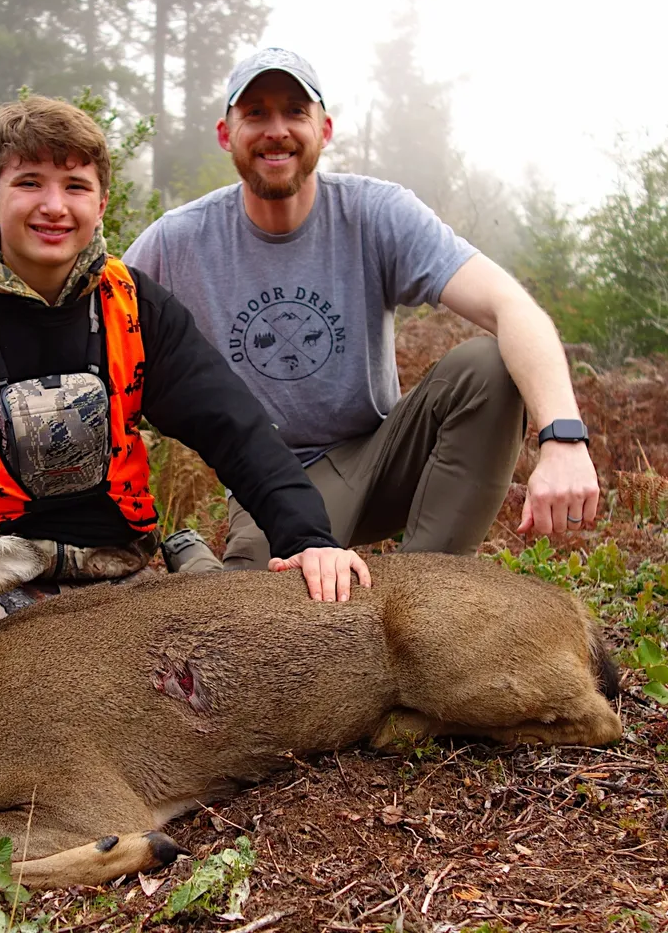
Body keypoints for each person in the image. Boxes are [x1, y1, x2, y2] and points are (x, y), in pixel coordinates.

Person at [0, 94, 368, 694]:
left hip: (115, 571)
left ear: (101, 203)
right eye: (29, 183)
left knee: (229, 680)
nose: (54, 206)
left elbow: (237, 430)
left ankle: (194, 573)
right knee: (7, 703)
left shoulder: (135, 308)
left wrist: (308, 538)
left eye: (75, 186)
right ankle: (191, 576)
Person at [122, 48, 601, 572]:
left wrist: (563, 437)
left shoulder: (375, 213)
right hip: (268, 483)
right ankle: (199, 564)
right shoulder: (176, 243)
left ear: (324, 130)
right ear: (225, 133)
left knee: (488, 367)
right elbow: (101, 346)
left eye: (295, 111)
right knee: (254, 625)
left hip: (383, 457)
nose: (276, 129)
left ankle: (424, 594)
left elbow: (512, 306)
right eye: (255, 112)